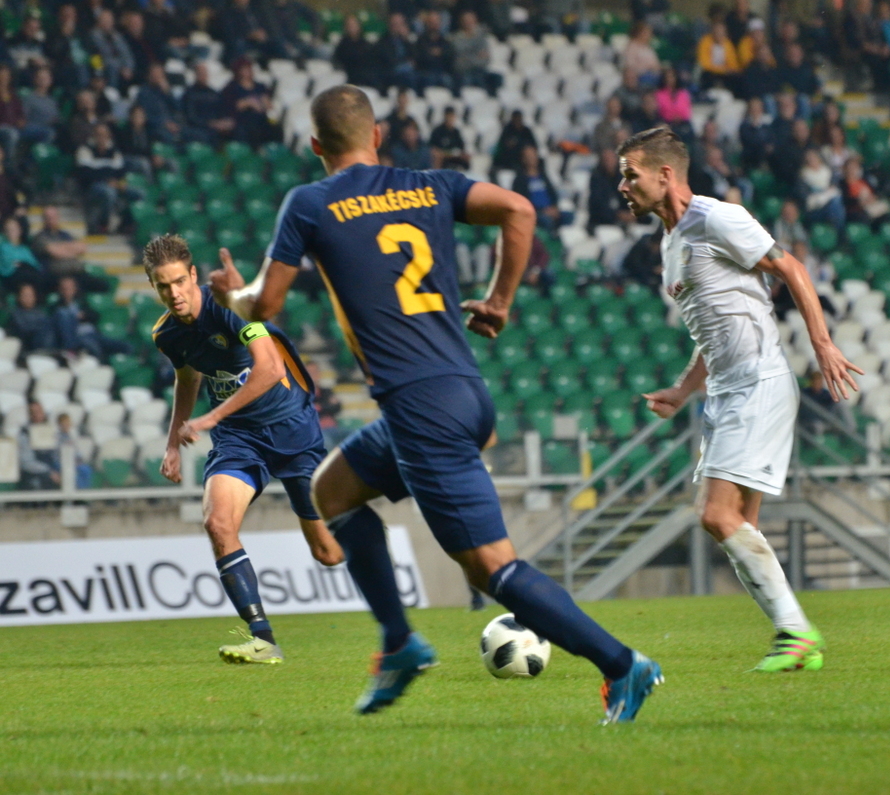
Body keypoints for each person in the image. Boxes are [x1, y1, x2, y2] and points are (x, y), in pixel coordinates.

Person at [209, 84, 662, 722]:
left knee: (493, 570)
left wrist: (232, 296)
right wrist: (501, 299)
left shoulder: (309, 203)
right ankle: (398, 644)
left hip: (420, 408)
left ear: (315, 146)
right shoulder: (431, 185)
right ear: (379, 137)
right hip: (460, 392)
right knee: (329, 492)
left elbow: (268, 306)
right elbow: (520, 212)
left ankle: (624, 666)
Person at [620, 126, 862, 672]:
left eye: (630, 173)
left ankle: (797, 632)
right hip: (727, 391)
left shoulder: (717, 217)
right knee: (737, 526)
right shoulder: (670, 240)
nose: (622, 185)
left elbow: (792, 269)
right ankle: (792, 639)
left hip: (758, 382)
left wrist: (822, 344)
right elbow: (714, 328)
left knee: (715, 514)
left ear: (665, 175)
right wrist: (684, 390)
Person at [146, 234, 343, 665]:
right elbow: (188, 377)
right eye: (163, 286)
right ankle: (263, 640)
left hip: (291, 429)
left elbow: (270, 368)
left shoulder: (229, 306)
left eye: (179, 281)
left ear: (193, 275)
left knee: (330, 554)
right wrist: (174, 442)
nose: (174, 293)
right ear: (153, 286)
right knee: (218, 524)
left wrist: (210, 418)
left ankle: (357, 518)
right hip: (239, 437)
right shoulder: (166, 334)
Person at [52, 275, 131, 360]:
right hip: (79, 336)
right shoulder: (57, 307)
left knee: (125, 347)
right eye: (65, 288)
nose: (67, 291)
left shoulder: (82, 302)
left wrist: (84, 315)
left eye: (70, 288)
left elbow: (95, 316)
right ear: (60, 290)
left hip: (93, 333)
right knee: (95, 350)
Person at [220, 58, 275, 149]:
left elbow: (268, 105)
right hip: (241, 120)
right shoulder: (232, 87)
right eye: (244, 69)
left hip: (260, 119)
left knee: (273, 127)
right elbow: (232, 106)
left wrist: (263, 104)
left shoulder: (260, 86)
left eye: (249, 68)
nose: (248, 71)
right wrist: (248, 103)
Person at [183, 62, 235, 146]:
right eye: (200, 73)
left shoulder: (213, 93)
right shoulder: (189, 94)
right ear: (195, 75)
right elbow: (191, 117)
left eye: (205, 73)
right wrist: (211, 124)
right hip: (201, 128)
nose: (203, 76)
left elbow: (222, 111)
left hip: (218, 127)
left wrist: (225, 122)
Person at [512, 145, 561, 230]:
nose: (532, 159)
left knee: (568, 216)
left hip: (550, 209)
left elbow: (552, 193)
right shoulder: (520, 180)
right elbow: (522, 201)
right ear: (523, 159)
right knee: (546, 220)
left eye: (534, 156)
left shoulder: (543, 176)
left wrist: (554, 207)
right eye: (529, 157)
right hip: (535, 212)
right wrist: (542, 211)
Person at [588, 148, 634, 231]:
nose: (608, 163)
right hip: (601, 220)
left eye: (610, 159)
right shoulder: (596, 178)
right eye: (606, 160)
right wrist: (617, 214)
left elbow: (626, 197)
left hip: (621, 219)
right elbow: (598, 204)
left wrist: (630, 213)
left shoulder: (621, 178)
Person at [18, 401, 59, 490]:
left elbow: (56, 454)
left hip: (52, 469)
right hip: (35, 472)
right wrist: (48, 471)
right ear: (29, 415)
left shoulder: (50, 430)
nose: (36, 415)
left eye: (39, 412)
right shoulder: (24, 434)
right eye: (33, 413)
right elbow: (26, 462)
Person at [7, 282, 55, 354]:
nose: (28, 298)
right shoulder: (15, 314)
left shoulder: (41, 313)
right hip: (26, 347)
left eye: (30, 295)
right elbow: (23, 329)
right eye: (25, 295)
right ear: (19, 297)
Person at [696, 19, 741, 93]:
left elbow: (733, 63)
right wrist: (723, 70)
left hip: (725, 73)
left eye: (721, 32)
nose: (719, 34)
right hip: (710, 71)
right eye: (717, 31)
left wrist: (732, 70)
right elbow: (705, 64)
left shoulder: (728, 44)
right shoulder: (705, 41)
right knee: (707, 76)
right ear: (712, 31)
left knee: (738, 78)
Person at [333, 14, 375, 89]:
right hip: (350, 77)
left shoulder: (367, 45)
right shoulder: (342, 46)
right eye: (349, 25)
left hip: (366, 78)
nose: (351, 27)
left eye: (353, 25)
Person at [429, 106, 470, 171]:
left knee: (467, 157)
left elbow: (461, 147)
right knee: (438, 157)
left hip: (454, 156)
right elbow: (432, 147)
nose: (451, 119)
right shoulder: (438, 131)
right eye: (449, 116)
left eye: (452, 116)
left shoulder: (456, 132)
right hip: (442, 156)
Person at [622, 20, 661, 86]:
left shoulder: (648, 48)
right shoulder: (631, 47)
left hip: (654, 74)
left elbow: (656, 63)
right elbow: (630, 65)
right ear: (639, 33)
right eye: (647, 33)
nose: (650, 35)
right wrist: (647, 68)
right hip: (640, 76)